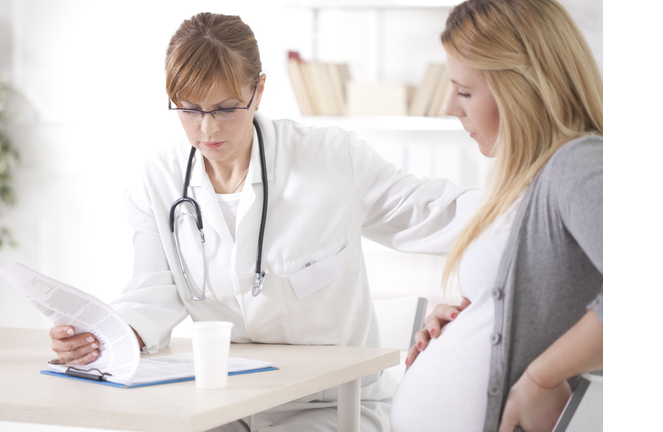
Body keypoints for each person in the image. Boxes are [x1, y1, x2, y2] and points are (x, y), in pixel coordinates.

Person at [46, 12, 480, 432]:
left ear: (258, 90)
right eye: (189, 109)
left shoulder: (331, 159)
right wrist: (105, 337)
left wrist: (533, 198)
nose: (206, 129)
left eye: (226, 108)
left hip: (331, 405)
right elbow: (151, 293)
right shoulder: (158, 181)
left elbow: (432, 212)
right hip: (226, 403)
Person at [389, 1, 603, 432]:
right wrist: (469, 321)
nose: (450, 106)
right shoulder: (521, 181)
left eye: (464, 91)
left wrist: (542, 378)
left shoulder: (577, 164)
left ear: (523, 88)